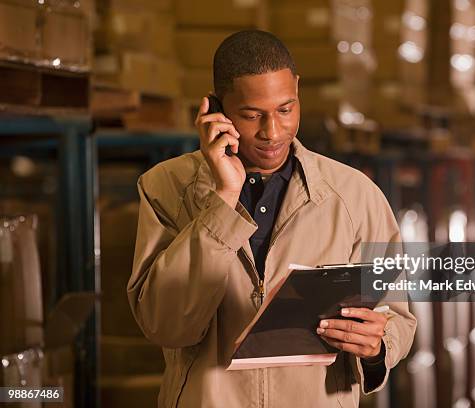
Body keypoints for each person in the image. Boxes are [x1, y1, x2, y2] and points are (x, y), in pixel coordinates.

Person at [127, 30, 416, 408]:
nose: (273, 132)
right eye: (251, 115)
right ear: (217, 108)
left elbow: (396, 317)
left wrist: (377, 347)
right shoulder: (164, 188)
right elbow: (165, 324)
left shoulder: (355, 196)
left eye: (286, 109)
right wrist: (223, 199)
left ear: (297, 91)